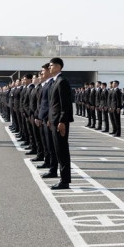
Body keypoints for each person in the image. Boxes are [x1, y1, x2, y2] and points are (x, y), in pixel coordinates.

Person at [47, 57, 73, 190]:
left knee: (62, 151)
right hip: (54, 120)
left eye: (51, 65)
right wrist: (49, 119)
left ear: (58, 67)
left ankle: (65, 181)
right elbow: (53, 104)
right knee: (57, 150)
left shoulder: (62, 82)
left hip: (59, 122)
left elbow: (65, 104)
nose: (49, 68)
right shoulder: (54, 81)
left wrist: (62, 121)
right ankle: (62, 178)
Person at [35, 62, 58, 178]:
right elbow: (41, 103)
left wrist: (49, 117)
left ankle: (53, 169)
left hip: (48, 119)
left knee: (51, 146)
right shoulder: (46, 84)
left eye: (43, 71)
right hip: (43, 118)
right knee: (47, 144)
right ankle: (48, 162)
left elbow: (50, 104)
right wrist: (38, 116)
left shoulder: (51, 84)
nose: (41, 73)